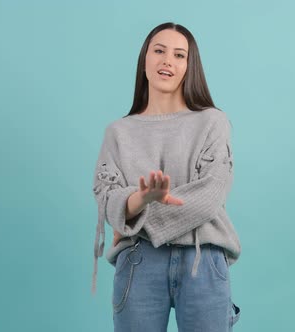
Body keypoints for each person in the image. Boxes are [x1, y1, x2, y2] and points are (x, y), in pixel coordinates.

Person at [91, 22, 241, 331]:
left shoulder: (213, 122)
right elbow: (106, 199)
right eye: (159, 51)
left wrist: (136, 216)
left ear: (189, 66)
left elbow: (210, 196)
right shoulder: (118, 132)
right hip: (138, 263)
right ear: (144, 59)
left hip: (203, 260)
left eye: (179, 55)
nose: (167, 61)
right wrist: (137, 199)